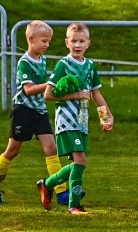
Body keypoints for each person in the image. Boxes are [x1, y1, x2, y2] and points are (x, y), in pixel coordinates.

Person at [34, 23, 112, 216]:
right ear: (67, 42)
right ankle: (74, 205)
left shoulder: (90, 66)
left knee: (80, 163)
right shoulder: (63, 65)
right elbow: (48, 94)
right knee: (80, 160)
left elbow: (96, 93)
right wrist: (74, 95)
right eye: (74, 41)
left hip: (82, 121)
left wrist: (106, 116)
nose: (77, 45)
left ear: (88, 43)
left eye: (81, 41)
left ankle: (47, 184)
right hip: (67, 121)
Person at [0, 20, 60, 204]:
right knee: (12, 150)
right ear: (30, 39)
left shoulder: (43, 60)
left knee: (51, 148)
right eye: (44, 41)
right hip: (23, 111)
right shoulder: (24, 63)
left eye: (49, 41)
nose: (47, 45)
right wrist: (50, 84)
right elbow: (28, 89)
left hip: (39, 110)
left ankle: (62, 192)